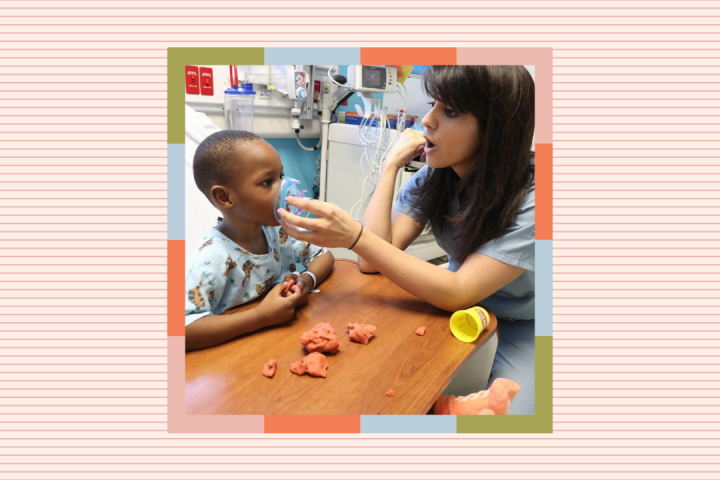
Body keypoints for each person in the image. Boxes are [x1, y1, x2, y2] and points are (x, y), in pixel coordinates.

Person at [276, 65, 535, 414]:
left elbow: (459, 288)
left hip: (524, 323)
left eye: (451, 111)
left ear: (496, 128)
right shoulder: (435, 175)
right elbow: (371, 260)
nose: (427, 120)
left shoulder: (535, 196)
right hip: (456, 309)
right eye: (433, 104)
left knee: (509, 414)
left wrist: (353, 236)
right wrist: (389, 166)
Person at [185, 130, 335, 351]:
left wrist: (306, 281)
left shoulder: (277, 231)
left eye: (281, 177)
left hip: (273, 344)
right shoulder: (210, 259)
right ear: (225, 197)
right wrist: (260, 317)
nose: (284, 189)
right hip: (230, 360)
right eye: (267, 182)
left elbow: (325, 255)